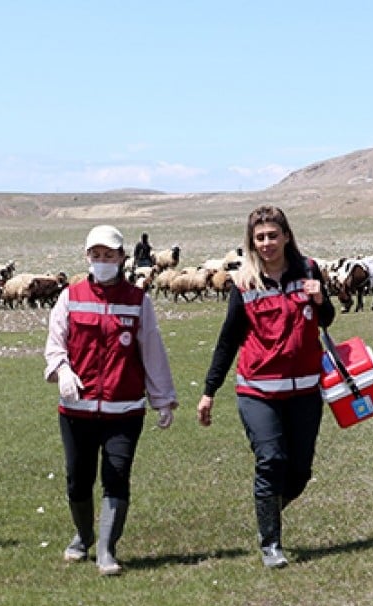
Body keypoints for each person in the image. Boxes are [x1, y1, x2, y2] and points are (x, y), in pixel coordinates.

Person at [196, 206, 335, 568]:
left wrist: (320, 298)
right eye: (260, 237)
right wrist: (209, 391)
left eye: (273, 235)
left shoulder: (309, 271)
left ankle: (267, 511)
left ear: (286, 235)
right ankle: (270, 543)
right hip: (258, 391)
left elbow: (328, 319)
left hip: (305, 390)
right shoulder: (244, 283)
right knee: (271, 460)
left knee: (300, 472)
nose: (267, 243)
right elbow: (228, 341)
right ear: (251, 242)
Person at [44, 225, 178, 576]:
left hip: (124, 408)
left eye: (109, 255)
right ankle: (84, 535)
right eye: (96, 255)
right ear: (87, 257)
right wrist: (62, 370)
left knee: (116, 476)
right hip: (77, 408)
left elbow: (152, 350)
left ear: (122, 258)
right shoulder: (70, 296)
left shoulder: (137, 301)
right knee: (78, 478)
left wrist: (162, 399)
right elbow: (55, 343)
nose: (102, 261)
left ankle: (107, 550)